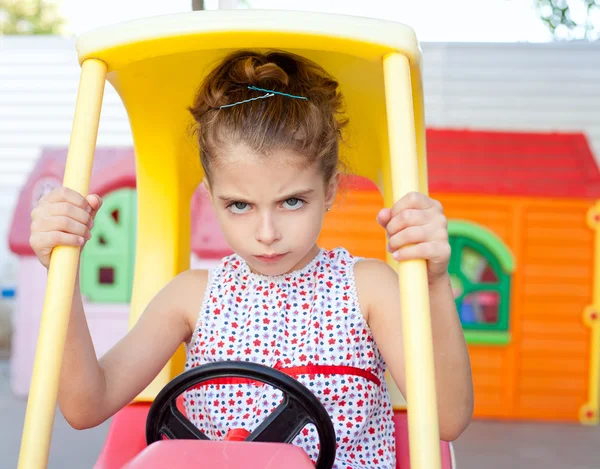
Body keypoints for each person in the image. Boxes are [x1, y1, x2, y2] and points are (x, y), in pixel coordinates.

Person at [29, 50, 473, 468]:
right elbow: (87, 405)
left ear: (331, 188)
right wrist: (62, 271)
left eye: (292, 202)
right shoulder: (192, 296)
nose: (266, 234)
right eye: (239, 205)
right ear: (211, 194)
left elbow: (447, 420)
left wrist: (433, 282)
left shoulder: (367, 287)